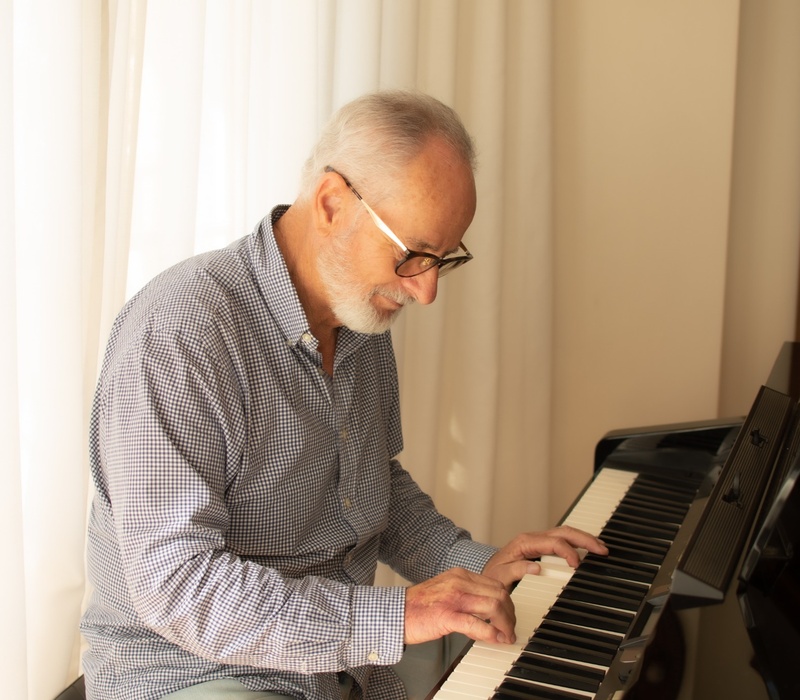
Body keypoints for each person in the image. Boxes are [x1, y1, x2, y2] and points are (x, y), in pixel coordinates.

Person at [81, 89, 607, 700]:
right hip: (195, 676)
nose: (427, 291)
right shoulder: (181, 333)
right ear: (332, 202)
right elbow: (178, 585)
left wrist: (469, 565)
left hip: (340, 670)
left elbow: (369, 491)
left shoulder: (360, 317)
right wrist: (398, 616)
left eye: (444, 259)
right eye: (413, 254)